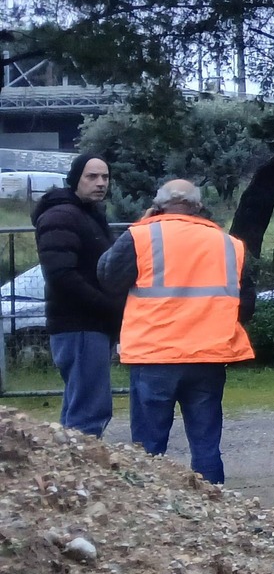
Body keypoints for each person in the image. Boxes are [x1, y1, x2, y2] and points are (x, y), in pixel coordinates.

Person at [97, 179, 256, 484]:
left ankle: (153, 513)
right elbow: (246, 303)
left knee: (149, 450)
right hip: (208, 357)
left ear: (158, 204)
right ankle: (216, 511)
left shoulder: (141, 235)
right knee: (206, 446)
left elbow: (107, 276)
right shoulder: (227, 243)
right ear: (198, 207)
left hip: (154, 356)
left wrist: (143, 223)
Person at [32, 153, 124, 436]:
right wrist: (108, 306)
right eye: (92, 176)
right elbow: (61, 275)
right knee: (88, 413)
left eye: (105, 177)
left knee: (81, 407)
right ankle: (83, 474)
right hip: (79, 326)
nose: (100, 183)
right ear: (75, 179)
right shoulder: (62, 215)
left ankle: (72, 472)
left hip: (90, 325)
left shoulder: (87, 214)